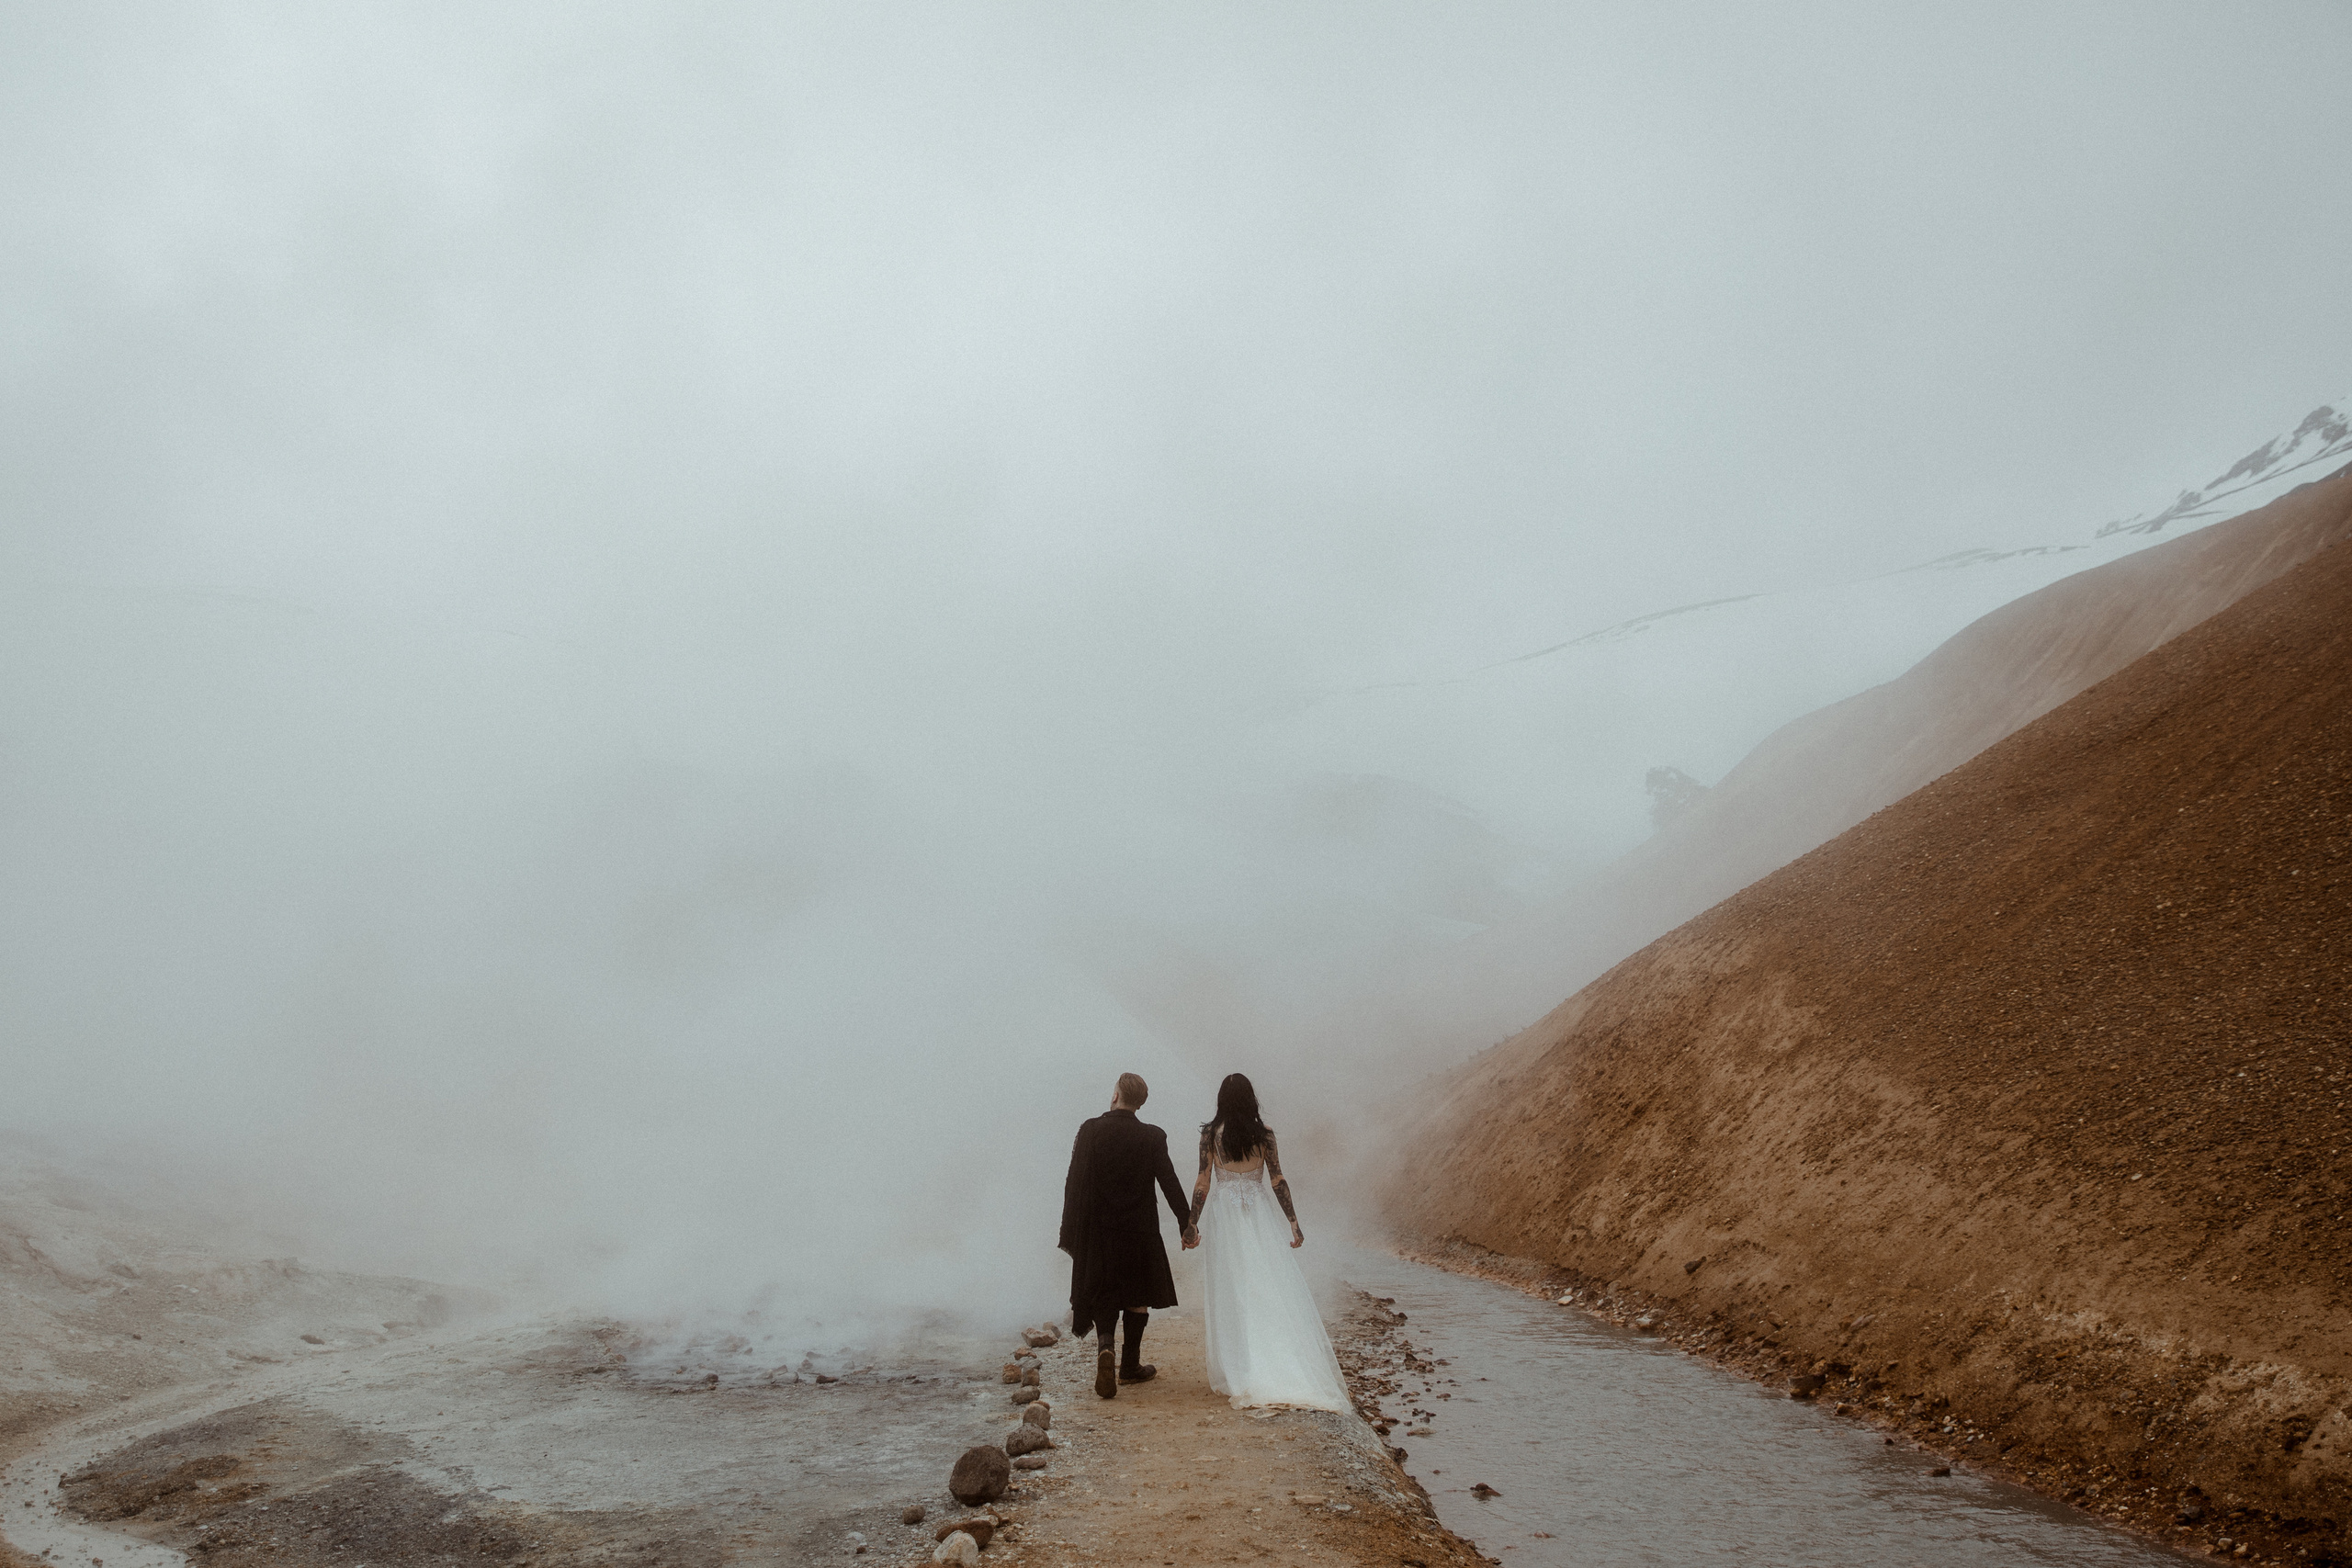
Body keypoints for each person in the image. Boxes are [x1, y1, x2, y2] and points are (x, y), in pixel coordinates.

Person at [1183, 1072, 1350, 1411]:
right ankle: (1277, 1360)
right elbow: (1277, 1179)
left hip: (1226, 1216)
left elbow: (1203, 1181)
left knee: (1232, 1288)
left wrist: (1191, 1224)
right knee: (1268, 1284)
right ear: (1250, 1099)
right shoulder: (1266, 1135)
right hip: (1258, 1214)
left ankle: (1241, 1367)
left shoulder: (1210, 1136)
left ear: (1222, 1101)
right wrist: (1293, 1223)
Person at [1058, 1071, 1197, 1399]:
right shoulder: (1152, 1136)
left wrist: (1073, 1230)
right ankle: (1130, 1367)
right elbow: (1169, 1181)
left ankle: (1105, 1348)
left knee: (1105, 1293)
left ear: (1116, 1097)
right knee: (1137, 1296)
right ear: (1139, 1104)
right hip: (1139, 1228)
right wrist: (1186, 1223)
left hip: (1099, 1230)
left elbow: (1074, 1184)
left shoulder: (1091, 1130)